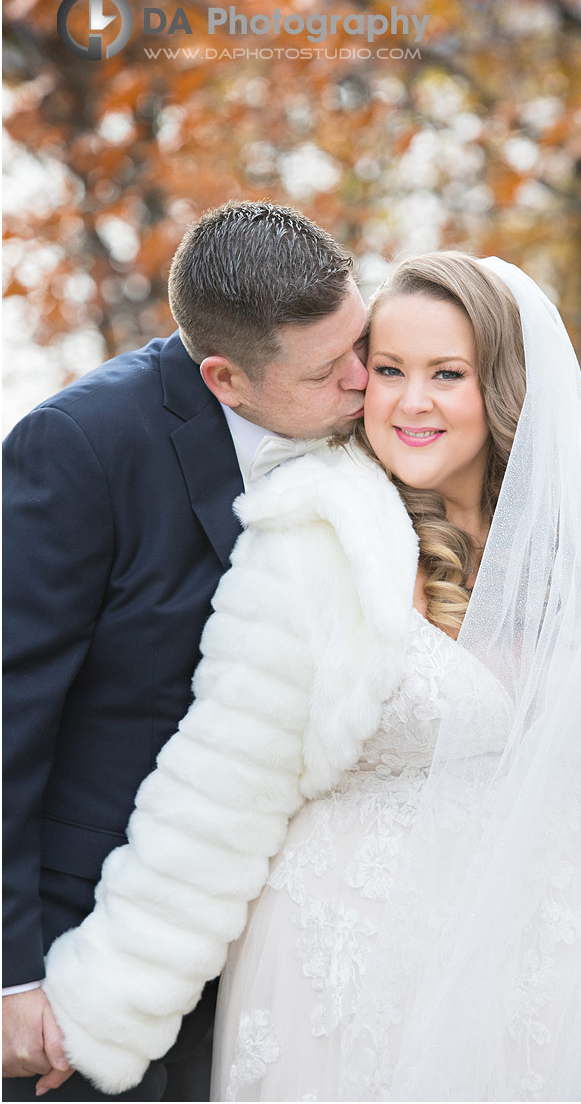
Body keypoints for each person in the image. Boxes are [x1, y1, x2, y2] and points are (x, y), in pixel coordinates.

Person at [38, 254, 581, 1101]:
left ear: (503, 384)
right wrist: (103, 1008)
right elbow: (220, 793)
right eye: (388, 370)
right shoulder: (316, 533)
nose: (410, 401)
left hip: (557, 973)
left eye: (447, 374)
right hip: (345, 987)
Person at [2, 200, 369, 1101]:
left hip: (289, 937)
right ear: (224, 379)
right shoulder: (80, 447)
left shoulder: (383, 421)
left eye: (364, 342)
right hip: (90, 948)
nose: (369, 381)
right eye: (332, 370)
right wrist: (11, 976)